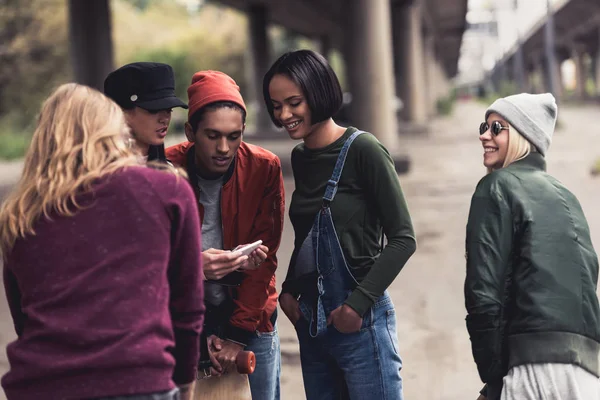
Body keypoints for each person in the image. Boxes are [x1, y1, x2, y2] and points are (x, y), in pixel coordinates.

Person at [0, 83, 205, 400]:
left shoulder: (20, 213)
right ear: (111, 131)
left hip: (40, 385)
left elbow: (23, 318)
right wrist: (183, 379)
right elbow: (187, 304)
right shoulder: (166, 190)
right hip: (137, 380)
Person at [263, 49, 416, 399]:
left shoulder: (365, 150)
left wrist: (356, 306)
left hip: (361, 324)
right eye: (275, 105)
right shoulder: (301, 158)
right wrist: (288, 290)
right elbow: (308, 235)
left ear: (318, 94)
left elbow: (403, 239)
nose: (284, 114)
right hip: (312, 325)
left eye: (294, 102)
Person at [465, 93, 600, 400]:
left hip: (532, 370)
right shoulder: (567, 195)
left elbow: (483, 296)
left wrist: (493, 380)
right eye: (483, 126)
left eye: (496, 127)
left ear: (523, 136)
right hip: (587, 372)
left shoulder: (496, 187)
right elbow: (587, 278)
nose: (484, 135)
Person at [166, 70, 285, 399]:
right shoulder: (164, 169)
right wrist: (195, 330)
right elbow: (154, 263)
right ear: (190, 131)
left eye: (234, 136)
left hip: (252, 317)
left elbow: (266, 261)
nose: (223, 147)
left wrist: (236, 335)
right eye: (212, 135)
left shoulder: (264, 167)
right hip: (186, 319)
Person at [104, 62, 188, 162]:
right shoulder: (97, 170)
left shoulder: (171, 171)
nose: (165, 119)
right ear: (121, 112)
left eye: (169, 110)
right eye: (154, 110)